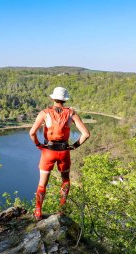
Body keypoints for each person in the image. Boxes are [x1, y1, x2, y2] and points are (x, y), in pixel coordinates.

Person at [28, 87, 90, 221]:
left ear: (52, 98)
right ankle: (62, 209)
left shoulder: (44, 113)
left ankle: (38, 211)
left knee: (42, 184)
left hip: (48, 152)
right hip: (64, 152)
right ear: (65, 99)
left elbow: (32, 133)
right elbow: (86, 134)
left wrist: (39, 145)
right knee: (65, 180)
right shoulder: (71, 113)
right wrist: (73, 146)